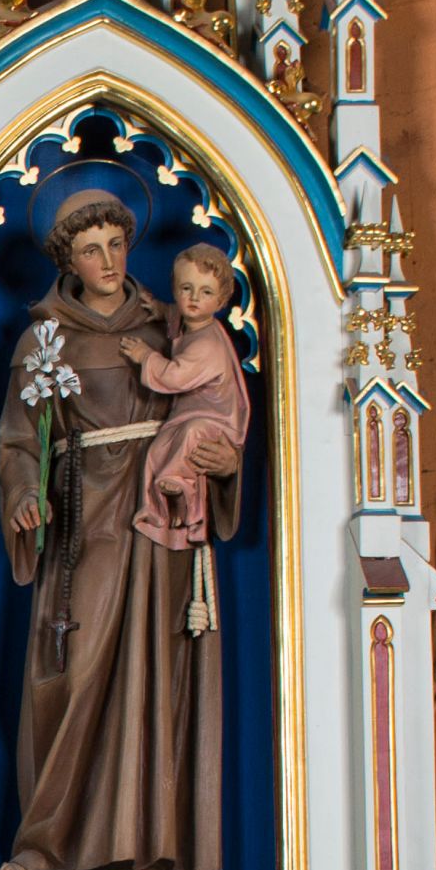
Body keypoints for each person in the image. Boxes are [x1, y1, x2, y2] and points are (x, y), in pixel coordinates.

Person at [0, 189, 235, 870]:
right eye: (90, 249)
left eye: (116, 244)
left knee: (158, 677)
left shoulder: (171, 323)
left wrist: (227, 463)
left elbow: (219, 403)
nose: (108, 261)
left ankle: (154, 851)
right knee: (74, 671)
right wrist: (24, 492)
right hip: (86, 519)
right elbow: (18, 439)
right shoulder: (44, 340)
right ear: (67, 259)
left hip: (163, 517)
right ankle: (46, 849)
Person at [133, 245, 253, 608]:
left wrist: (145, 357)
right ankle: (156, 508)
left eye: (205, 292)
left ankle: (185, 496)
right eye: (186, 289)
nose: (194, 299)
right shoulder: (192, 322)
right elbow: (178, 319)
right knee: (157, 451)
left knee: (189, 438)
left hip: (214, 420)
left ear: (222, 300)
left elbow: (174, 376)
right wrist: (160, 309)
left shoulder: (209, 345)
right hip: (189, 412)